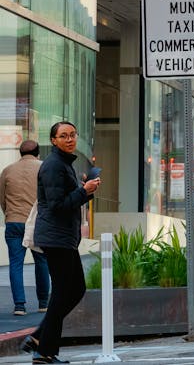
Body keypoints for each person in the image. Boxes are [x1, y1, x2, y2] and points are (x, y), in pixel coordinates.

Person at [24, 121, 100, 364]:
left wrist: (85, 190)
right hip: (56, 238)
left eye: (73, 135)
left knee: (75, 289)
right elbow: (57, 206)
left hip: (63, 238)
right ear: (54, 140)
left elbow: (66, 199)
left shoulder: (63, 164)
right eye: (63, 136)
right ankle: (44, 351)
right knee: (62, 293)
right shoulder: (53, 166)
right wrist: (83, 191)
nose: (70, 139)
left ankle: (39, 338)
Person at [0, 140, 49, 316]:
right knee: (42, 261)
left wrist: (10, 215)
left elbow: (2, 199)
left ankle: (19, 306)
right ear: (38, 153)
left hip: (13, 222)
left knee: (15, 264)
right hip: (37, 222)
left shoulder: (7, 170)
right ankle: (43, 303)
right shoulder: (44, 168)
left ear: (20, 153)